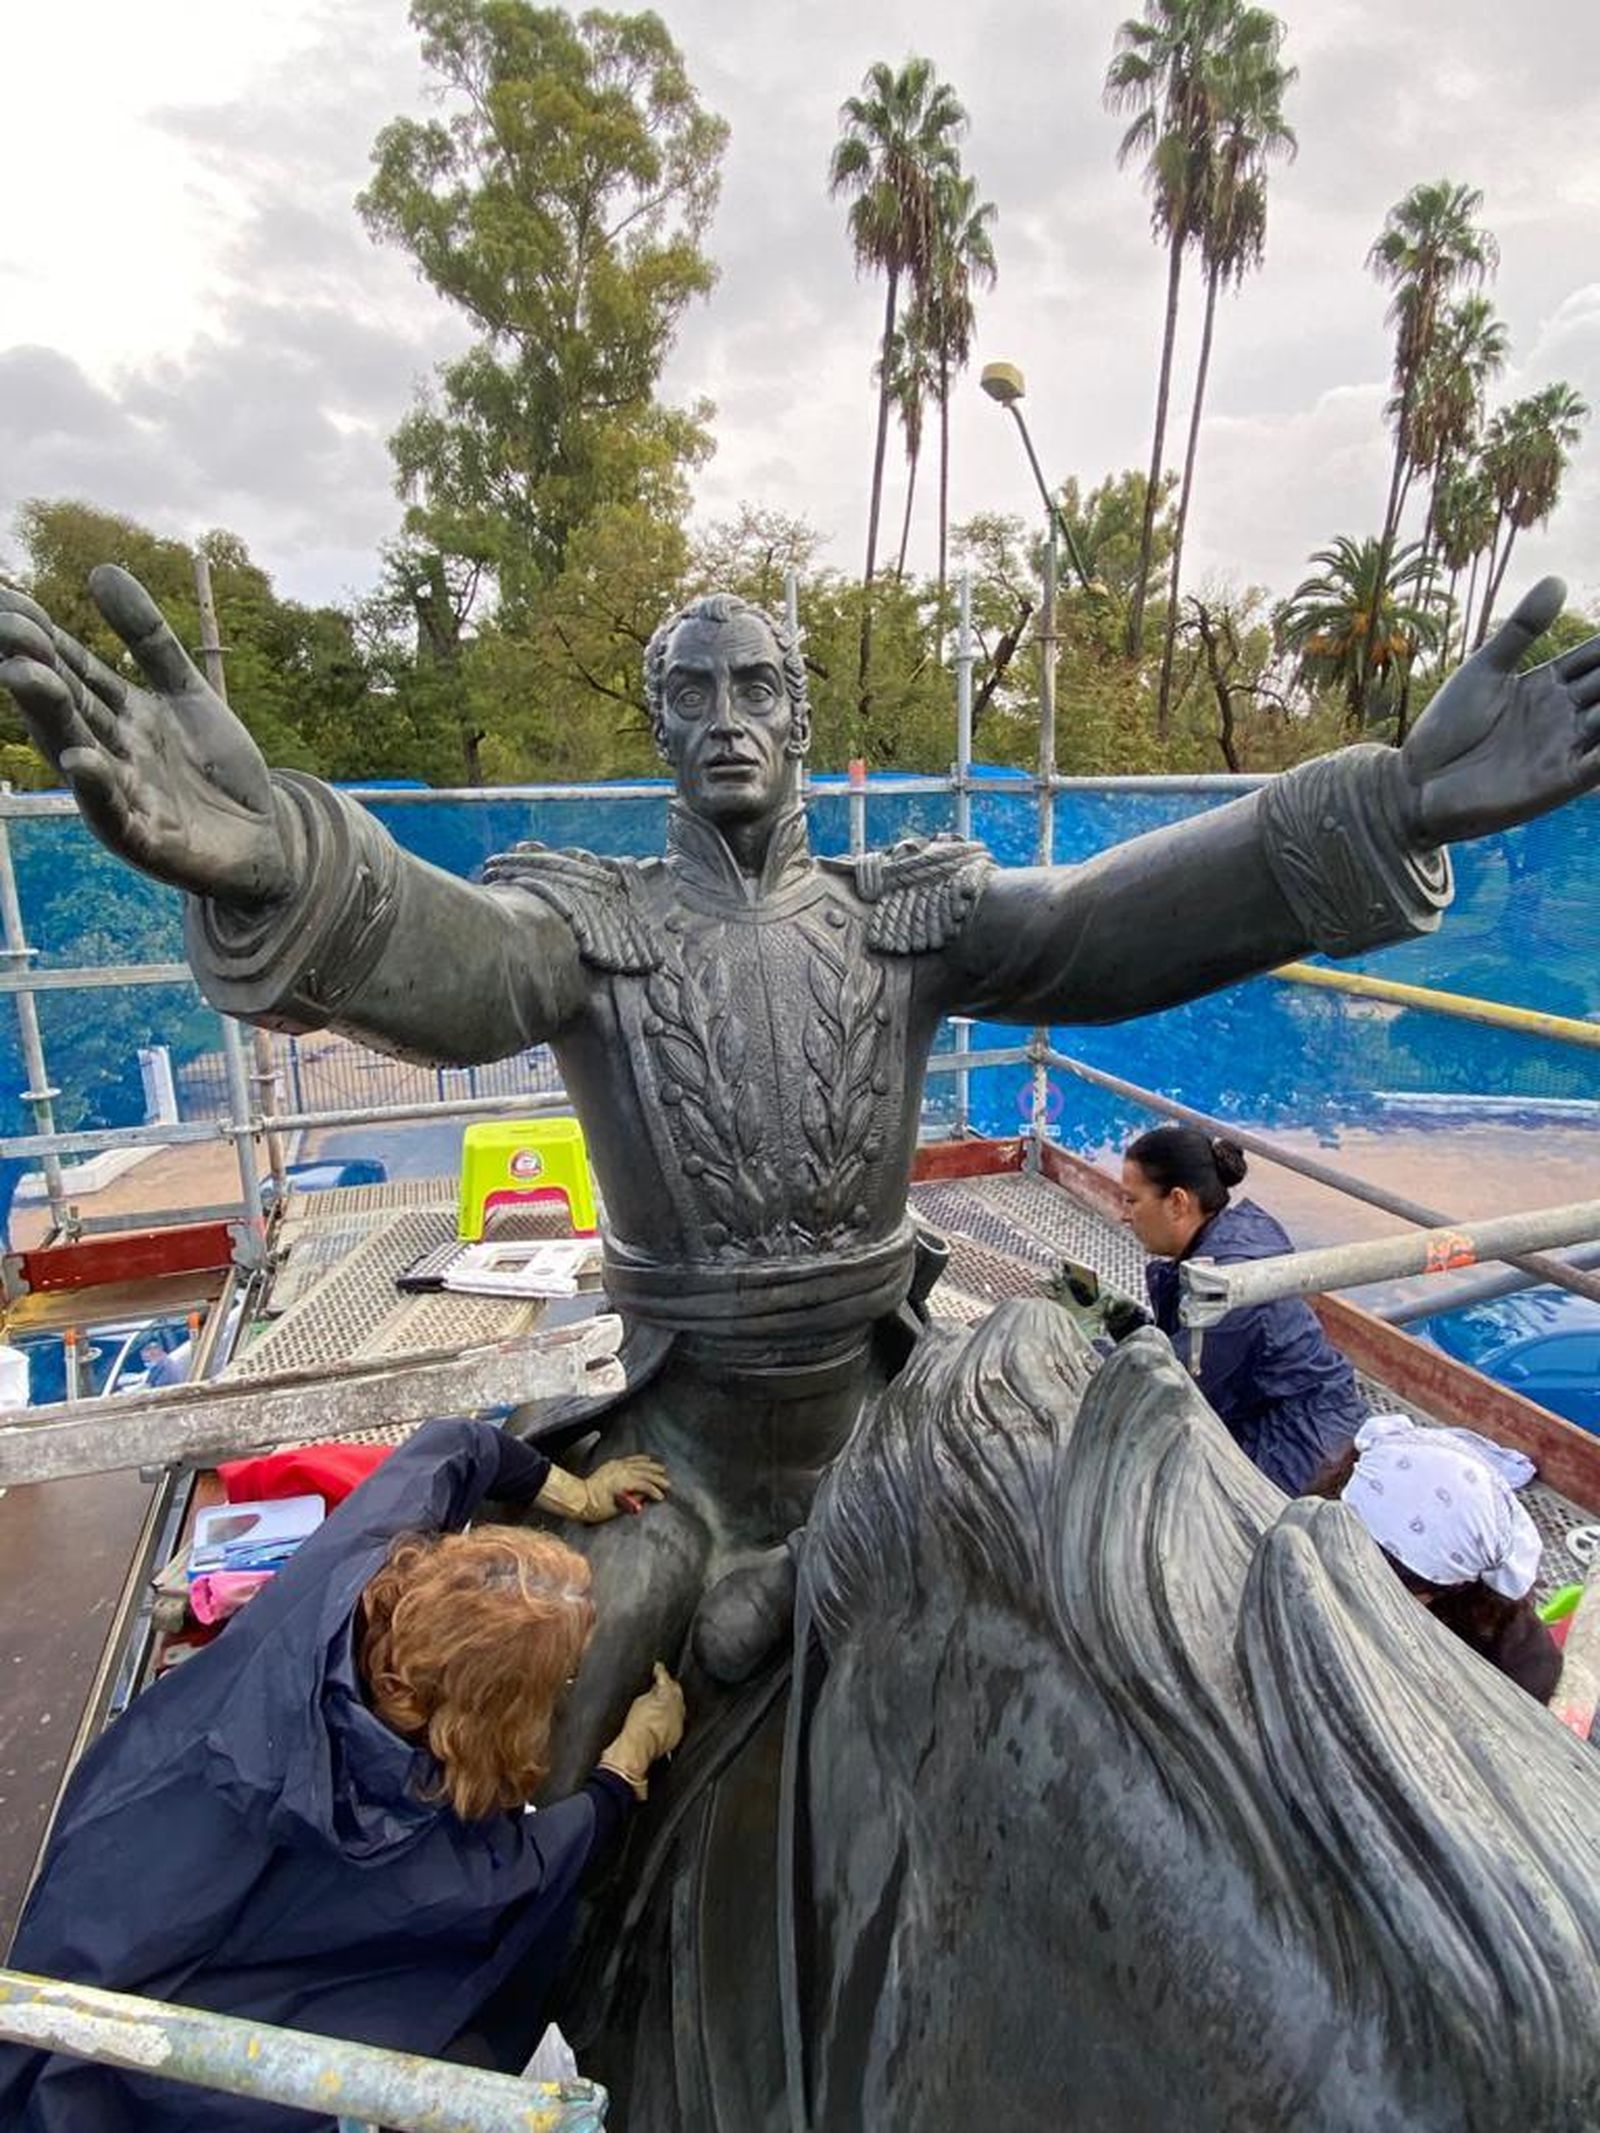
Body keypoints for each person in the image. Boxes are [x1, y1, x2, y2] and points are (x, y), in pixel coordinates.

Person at [1, 570, 1597, 1786]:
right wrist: (290, 855)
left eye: (756, 681)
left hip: (897, 1419)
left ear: (802, 715)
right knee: (525, 1733)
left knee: (1140, 1670)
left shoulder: (902, 913)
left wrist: (1389, 800)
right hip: (675, 1460)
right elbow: (453, 964)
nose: (726, 712)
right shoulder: (585, 925)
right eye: (690, 690)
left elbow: (1110, 927)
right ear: (660, 727)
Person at [0, 1418, 683, 2132]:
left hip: (121, 1842)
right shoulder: (413, 1840)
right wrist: (625, 1762)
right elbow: (523, 1869)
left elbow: (454, 1444)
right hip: (138, 2047)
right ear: (491, 1714)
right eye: (562, 1678)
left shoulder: (357, 1562)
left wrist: (575, 1494)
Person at [1120, 1125, 1365, 1493]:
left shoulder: (1230, 1285)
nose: (1124, 1215)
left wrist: (1090, 1355)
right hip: (1283, 1418)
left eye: (1132, 1201)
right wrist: (1121, 1323)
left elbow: (1169, 1391)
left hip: (1305, 1447)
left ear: (1177, 1202)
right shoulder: (1223, 1242)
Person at [1313, 1412, 1561, 1702]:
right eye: (1350, 1553)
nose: (1358, 1582)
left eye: (1390, 1582)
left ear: (1453, 1587)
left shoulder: (1518, 1662)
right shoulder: (1314, 1531)